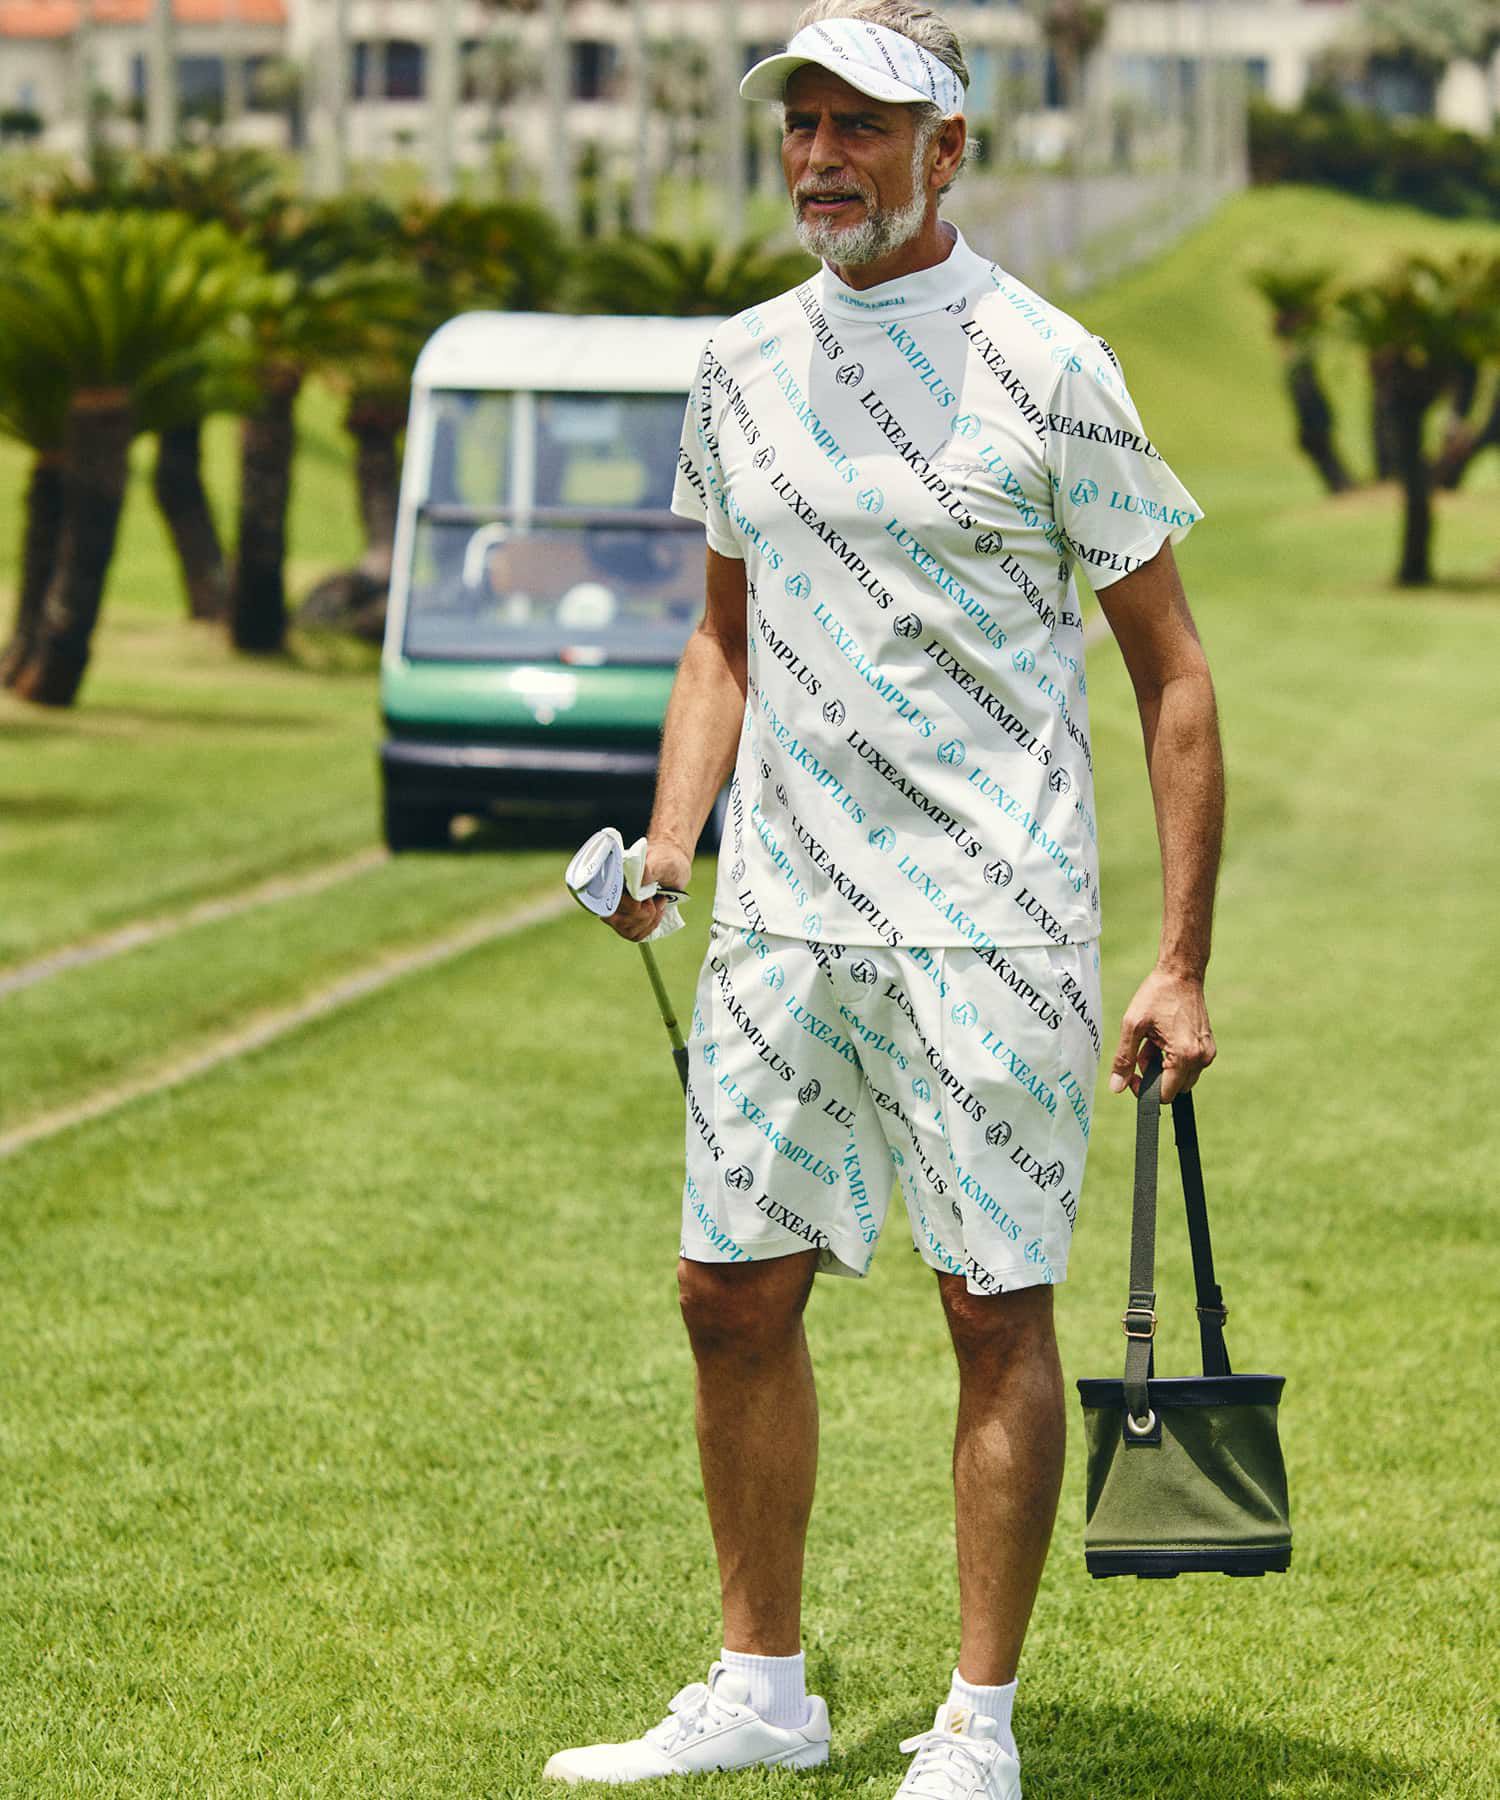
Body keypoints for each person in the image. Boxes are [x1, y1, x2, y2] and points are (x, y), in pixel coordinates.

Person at [544, 4, 1222, 1794]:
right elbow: (723, 635)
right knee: (725, 1295)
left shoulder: (1051, 365)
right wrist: (672, 843)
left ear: (949, 150)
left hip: (993, 926)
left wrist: (1177, 960)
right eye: (804, 124)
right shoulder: (740, 363)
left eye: (863, 125)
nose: (824, 157)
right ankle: (762, 1690)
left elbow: (1172, 673)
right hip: (781, 923)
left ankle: (978, 1729)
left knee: (992, 1311)